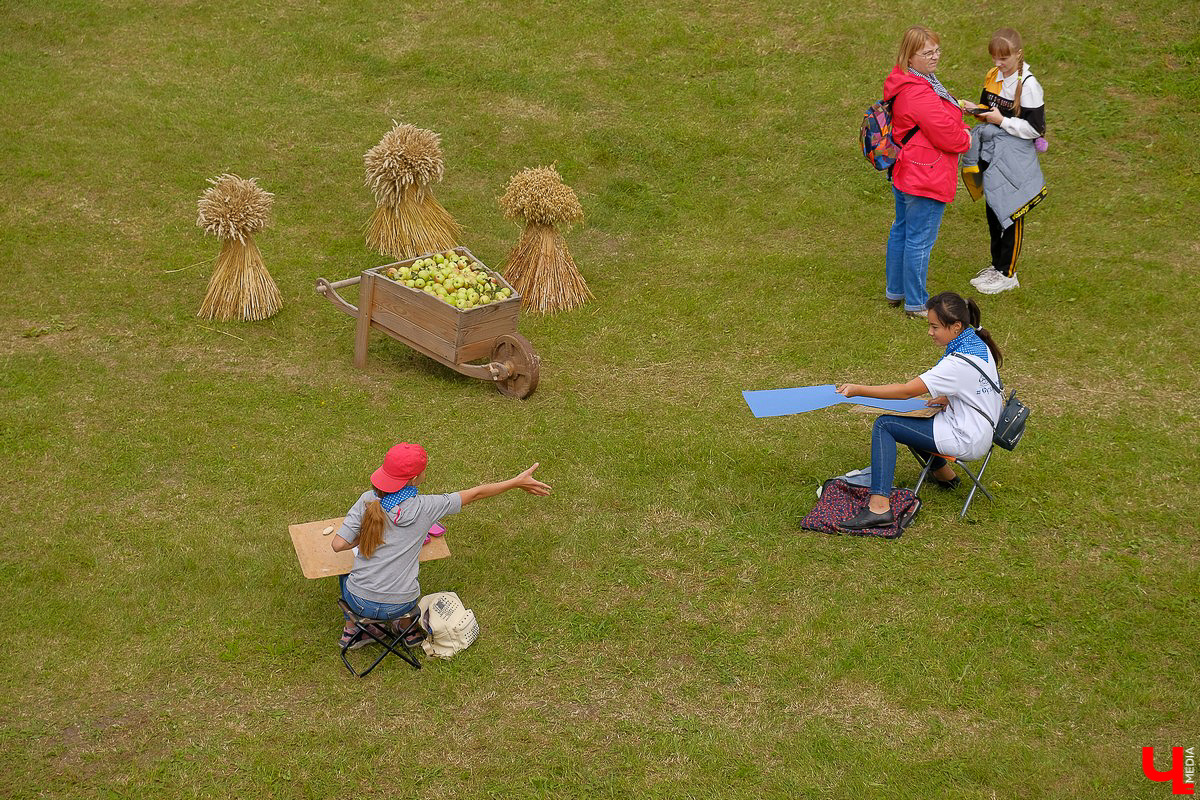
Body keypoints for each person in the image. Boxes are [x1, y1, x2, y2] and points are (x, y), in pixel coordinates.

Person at [331, 442, 551, 649]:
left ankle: (357, 629)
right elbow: (475, 494)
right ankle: (405, 627)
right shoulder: (428, 507)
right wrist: (516, 482)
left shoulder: (367, 499)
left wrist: (367, 534)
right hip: (401, 604)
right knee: (405, 582)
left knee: (345, 573)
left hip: (359, 603)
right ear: (415, 478)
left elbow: (338, 544)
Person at [834, 292, 1003, 529]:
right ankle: (945, 476)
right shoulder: (975, 341)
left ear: (956, 327)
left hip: (967, 437)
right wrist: (949, 397)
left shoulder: (956, 364)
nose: (930, 332)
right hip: (980, 427)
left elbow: (905, 391)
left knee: (885, 425)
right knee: (913, 418)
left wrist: (858, 390)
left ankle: (879, 507)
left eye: (935, 327)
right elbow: (975, 385)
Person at [882, 26, 972, 319]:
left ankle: (895, 292)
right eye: (927, 53)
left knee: (902, 231)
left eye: (937, 51)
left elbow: (935, 113)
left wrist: (958, 106)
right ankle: (917, 304)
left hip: (907, 169)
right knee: (919, 240)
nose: (935, 57)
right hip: (926, 174)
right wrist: (967, 137)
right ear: (910, 55)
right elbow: (947, 134)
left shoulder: (909, 80)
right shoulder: (918, 92)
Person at [965, 28, 1047, 295]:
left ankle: (1008, 273)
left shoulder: (1030, 86)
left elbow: (1035, 129)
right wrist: (977, 112)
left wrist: (1002, 121)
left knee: (1011, 212)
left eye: (1004, 58)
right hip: (992, 153)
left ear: (1018, 54)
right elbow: (987, 108)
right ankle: (996, 266)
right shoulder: (994, 76)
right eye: (995, 58)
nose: (998, 64)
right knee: (993, 211)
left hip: (1014, 158)